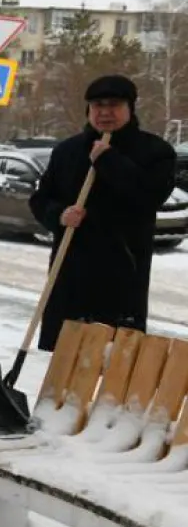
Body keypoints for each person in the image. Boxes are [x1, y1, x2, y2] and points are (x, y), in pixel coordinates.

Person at [29, 75, 177, 350]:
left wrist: (109, 160)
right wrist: (59, 215)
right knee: (65, 360)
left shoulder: (155, 152)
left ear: (130, 108)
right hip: (71, 274)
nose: (105, 112)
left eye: (114, 105)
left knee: (114, 362)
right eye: (98, 105)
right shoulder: (67, 151)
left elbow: (148, 196)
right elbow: (40, 199)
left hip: (122, 273)